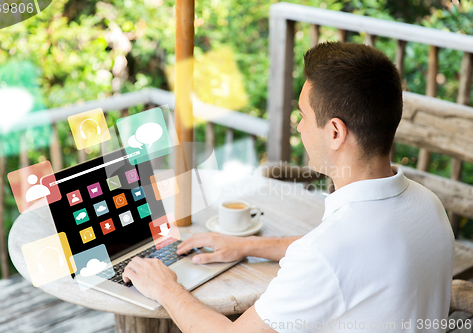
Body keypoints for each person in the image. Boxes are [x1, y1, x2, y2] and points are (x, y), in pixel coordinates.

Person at [122, 42, 454, 332]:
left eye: (303, 115)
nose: (299, 126)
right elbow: (351, 256)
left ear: (335, 132)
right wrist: (247, 246)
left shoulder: (329, 252)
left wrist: (166, 288)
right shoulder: (427, 206)